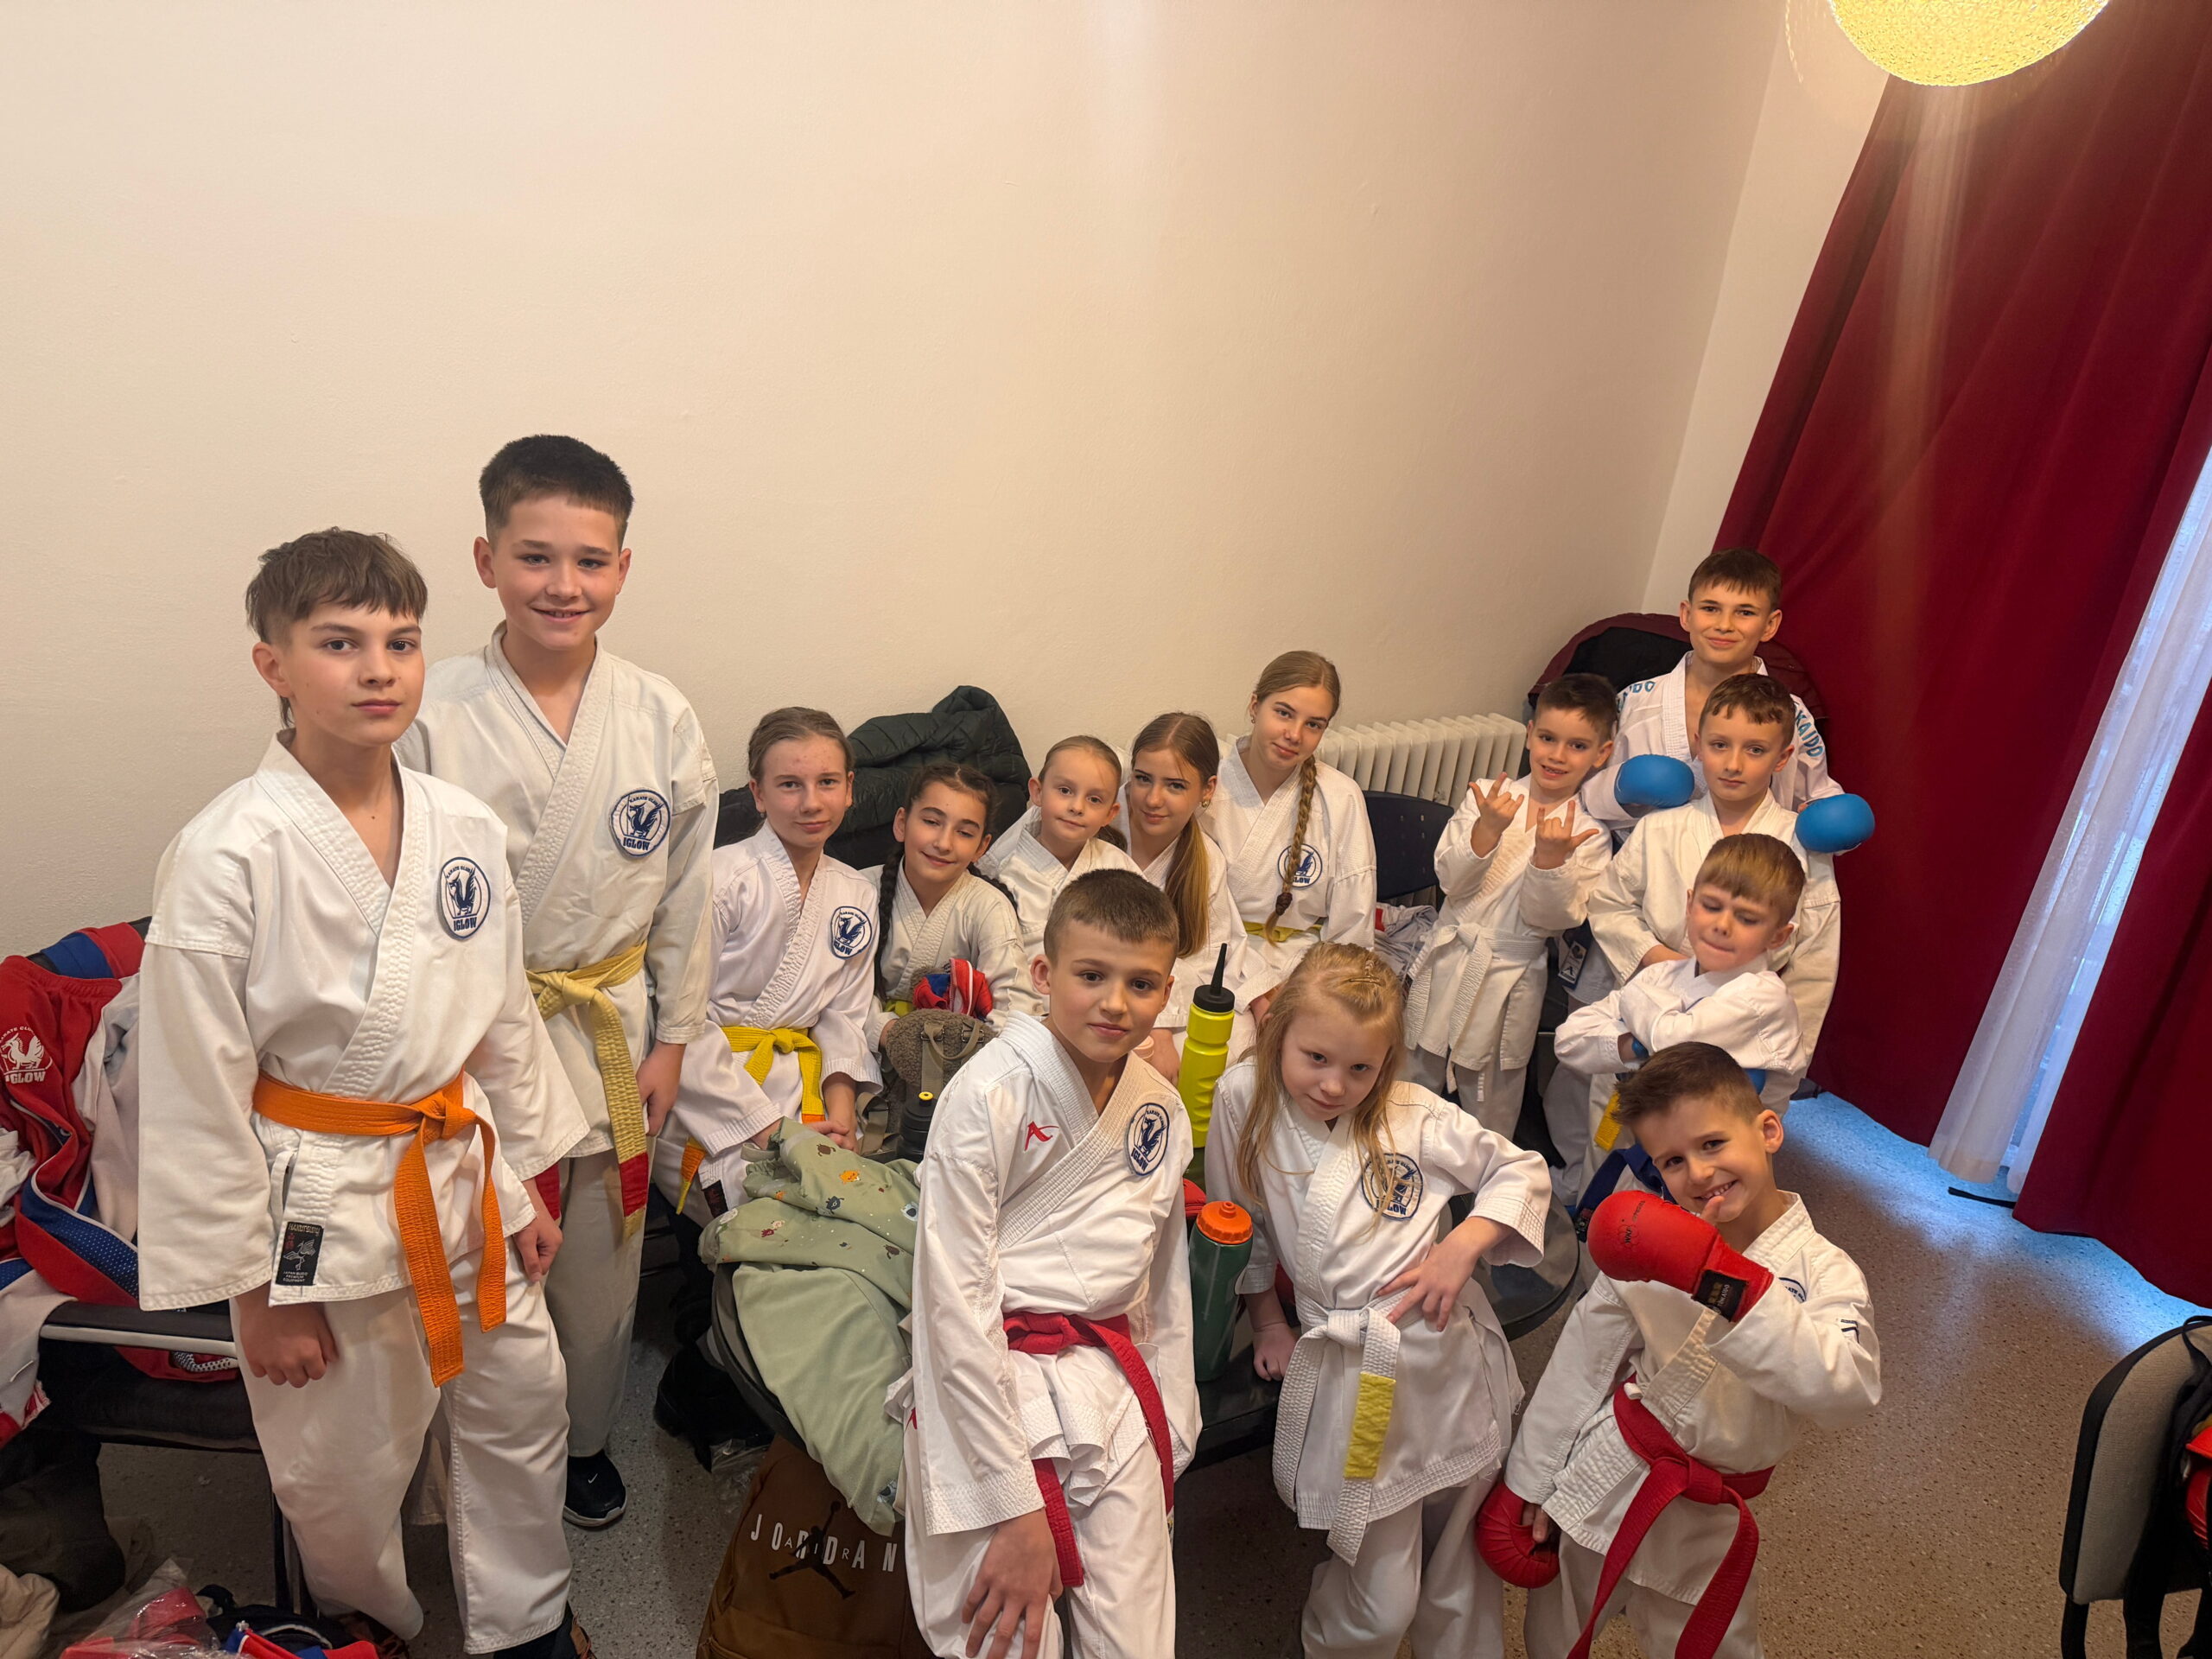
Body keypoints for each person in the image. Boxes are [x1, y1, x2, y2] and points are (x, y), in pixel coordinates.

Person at [137, 530, 592, 1658]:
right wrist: (256, 1294)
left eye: (401, 641)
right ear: (274, 665)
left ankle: (527, 1620)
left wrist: (528, 1183)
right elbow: (195, 1087)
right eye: (339, 643)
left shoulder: (462, 827)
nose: (379, 669)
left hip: (462, 1168)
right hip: (320, 1202)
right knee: (341, 1458)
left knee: (523, 1408)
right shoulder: (225, 851)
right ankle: (368, 1620)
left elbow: (501, 1017)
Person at [395, 434, 715, 1530]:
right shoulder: (429, 712)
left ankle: (580, 1443)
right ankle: (480, 1463)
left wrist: (675, 1038)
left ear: (623, 567)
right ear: (486, 561)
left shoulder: (659, 714)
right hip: (475, 1042)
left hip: (608, 1031)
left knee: (598, 1269)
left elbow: (686, 895)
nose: (562, 584)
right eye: (535, 557)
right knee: (480, 1256)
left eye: (589, 560)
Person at [1206, 944, 1549, 1659]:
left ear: (1388, 1061)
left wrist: (1464, 1245)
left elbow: (1521, 1171)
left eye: (1361, 1068)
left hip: (1447, 1364)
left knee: (1460, 1564)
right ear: (1278, 1033)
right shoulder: (1244, 1097)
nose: (1335, 1085)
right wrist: (1267, 1320)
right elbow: (1242, 1222)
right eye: (1316, 1058)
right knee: (1383, 1596)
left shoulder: (1412, 1115)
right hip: (1360, 1373)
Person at [1482, 1044, 1879, 1659]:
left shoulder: (1826, 1273)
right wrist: (1529, 1481)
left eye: (1713, 1143)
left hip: (1706, 1510)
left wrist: (1732, 1288)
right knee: (1554, 1636)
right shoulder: (1652, 1242)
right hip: (1607, 1474)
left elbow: (1847, 1391)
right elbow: (1582, 1363)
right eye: (1672, 1160)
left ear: (1768, 1130)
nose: (1697, 1173)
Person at [899, 870, 1198, 1659]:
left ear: (1167, 992)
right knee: (1002, 1641)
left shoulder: (1160, 1110)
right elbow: (953, 1304)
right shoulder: (988, 1095)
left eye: (1141, 984)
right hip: (989, 1382)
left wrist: (1174, 1422)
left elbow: (1161, 1285)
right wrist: (1013, 1506)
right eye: (1091, 975)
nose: (1115, 1003)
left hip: (1108, 1380)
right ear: (1043, 973)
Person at [662, 708, 881, 1215]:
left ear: (850, 788)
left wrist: (842, 1121)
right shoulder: (720, 880)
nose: (812, 803)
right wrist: (773, 1130)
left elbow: (844, 1017)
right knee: (773, 1223)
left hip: (809, 1093)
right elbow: (679, 1021)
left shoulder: (856, 893)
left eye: (827, 782)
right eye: (789, 785)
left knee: (855, 1216)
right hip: (714, 1098)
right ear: (758, 794)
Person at [1400, 673, 1614, 1139]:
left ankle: (1486, 1172)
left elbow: (1553, 920)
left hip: (1512, 976)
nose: (1557, 755)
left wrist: (1550, 862)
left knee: (1492, 1092)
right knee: (1414, 1068)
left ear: (1602, 754)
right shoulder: (1487, 797)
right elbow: (1450, 881)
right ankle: (1396, 1148)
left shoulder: (1590, 834)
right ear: (1530, 734)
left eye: (1578, 746)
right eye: (1548, 738)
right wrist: (1488, 830)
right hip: (1450, 956)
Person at [1587, 674, 1841, 1062]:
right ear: (1699, 745)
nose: (1733, 764)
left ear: (1782, 758)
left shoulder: (1801, 843)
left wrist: (1783, 1060)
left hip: (1744, 1028)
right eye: (1720, 745)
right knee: (1631, 1096)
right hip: (1654, 1006)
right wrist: (1658, 958)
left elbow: (1814, 959)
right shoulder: (1659, 828)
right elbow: (1610, 904)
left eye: (1755, 750)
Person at [1580, 547, 1840, 835]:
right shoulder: (1634, 701)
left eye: (1745, 612)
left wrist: (1829, 820)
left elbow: (1817, 800)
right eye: (1710, 609)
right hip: (1638, 856)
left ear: (1769, 625)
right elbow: (1578, 792)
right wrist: (1619, 788)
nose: (1724, 625)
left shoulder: (1792, 715)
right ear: (1686, 615)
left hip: (1745, 859)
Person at [1555, 835, 1808, 1116]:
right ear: (1689, 905)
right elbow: (1568, 1041)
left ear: (1778, 936)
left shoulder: (1763, 998)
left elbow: (1671, 1039)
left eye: (1747, 919)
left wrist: (1634, 1003)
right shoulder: (1664, 974)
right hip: (1643, 1123)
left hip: (1724, 1139)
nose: (1722, 925)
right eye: (1711, 906)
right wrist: (1637, 1045)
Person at [1204, 651, 1377, 1016]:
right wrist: (1257, 989)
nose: (1294, 735)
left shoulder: (1341, 798)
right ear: (1255, 706)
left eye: (1313, 724)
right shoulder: (1207, 785)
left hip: (1303, 970)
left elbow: (1353, 924)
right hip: (1212, 961)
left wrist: (1323, 990)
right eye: (1283, 713)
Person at [1116, 711, 1251, 1079]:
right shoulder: (1094, 819)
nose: (1153, 799)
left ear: (1207, 790)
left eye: (1175, 786)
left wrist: (1161, 1022)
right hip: (1091, 980)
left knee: (1234, 1041)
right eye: (1142, 778)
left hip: (1160, 993)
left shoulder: (1205, 860)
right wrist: (1157, 1030)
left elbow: (1207, 958)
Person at [857, 761, 1027, 1046]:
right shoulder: (858, 891)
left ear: (981, 847)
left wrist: (965, 1050)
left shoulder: (990, 907)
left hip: (961, 1054)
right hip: (865, 1047)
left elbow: (1013, 1008)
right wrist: (891, 1034)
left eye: (965, 833)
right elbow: (838, 993)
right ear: (902, 823)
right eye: (932, 822)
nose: (944, 843)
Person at [978, 736, 1141, 1018]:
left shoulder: (1121, 870)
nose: (1077, 807)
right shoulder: (1001, 874)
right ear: (1037, 792)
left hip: (1104, 1014)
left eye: (1094, 799)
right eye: (1065, 791)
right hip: (1021, 1018)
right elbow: (995, 964)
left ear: (1110, 813)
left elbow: (1144, 947)